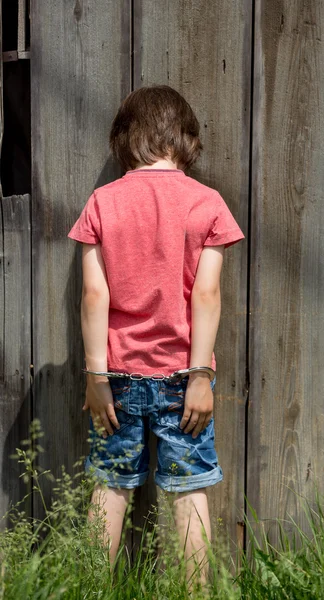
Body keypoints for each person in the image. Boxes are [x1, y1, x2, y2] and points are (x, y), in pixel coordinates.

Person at [67, 84, 245, 585]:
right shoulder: (208, 204)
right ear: (186, 140)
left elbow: (93, 296)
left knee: (109, 488)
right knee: (189, 492)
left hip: (116, 378)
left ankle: (88, 592)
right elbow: (206, 296)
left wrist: (96, 376)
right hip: (183, 379)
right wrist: (201, 374)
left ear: (122, 140)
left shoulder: (103, 202)